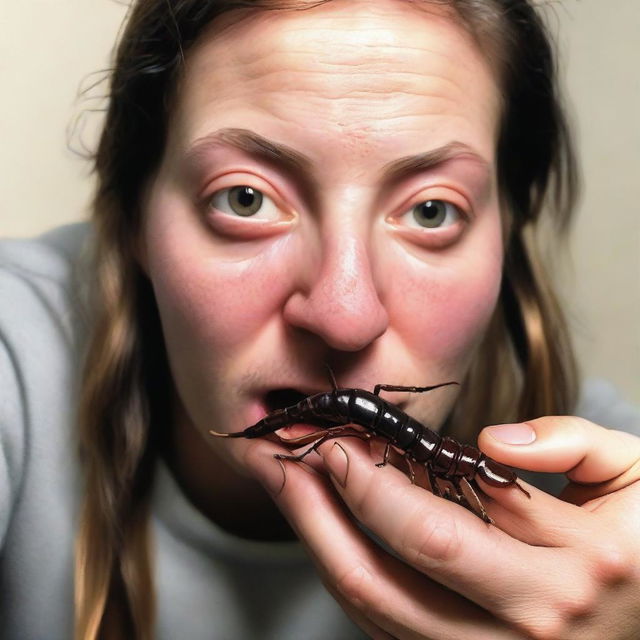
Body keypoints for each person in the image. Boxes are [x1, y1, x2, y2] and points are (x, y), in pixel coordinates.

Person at [1, 0, 639, 638]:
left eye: (431, 211)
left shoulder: (611, 510)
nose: (345, 314)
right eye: (244, 198)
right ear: (133, 217)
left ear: (508, 233)